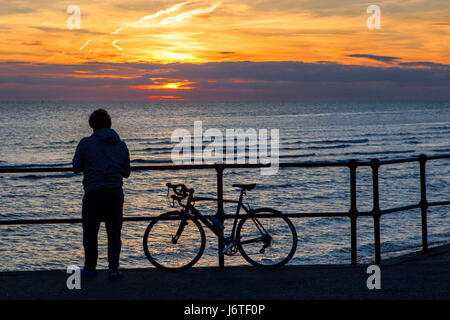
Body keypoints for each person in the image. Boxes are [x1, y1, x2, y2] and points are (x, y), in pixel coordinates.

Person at [73, 109, 130, 280]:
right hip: (115, 192)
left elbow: (76, 168)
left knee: (90, 232)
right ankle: (114, 270)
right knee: (114, 233)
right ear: (109, 123)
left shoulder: (85, 144)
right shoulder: (121, 145)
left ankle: (90, 268)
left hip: (94, 193)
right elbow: (126, 172)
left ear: (92, 125)